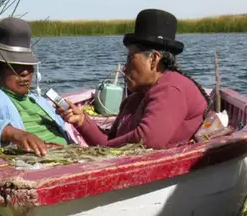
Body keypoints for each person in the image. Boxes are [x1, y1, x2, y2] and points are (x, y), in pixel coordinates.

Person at [57, 9, 211, 149]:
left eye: (130, 59)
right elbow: (111, 140)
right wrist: (82, 121)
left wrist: (105, 147)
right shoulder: (135, 98)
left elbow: (149, 140)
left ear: (153, 59)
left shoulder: (171, 87)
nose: (125, 68)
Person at [0, 17, 73, 156]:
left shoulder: (39, 101)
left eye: (27, 65)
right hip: (42, 164)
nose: (25, 72)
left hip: (71, 156)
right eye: (15, 66)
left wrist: (73, 118)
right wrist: (14, 134)